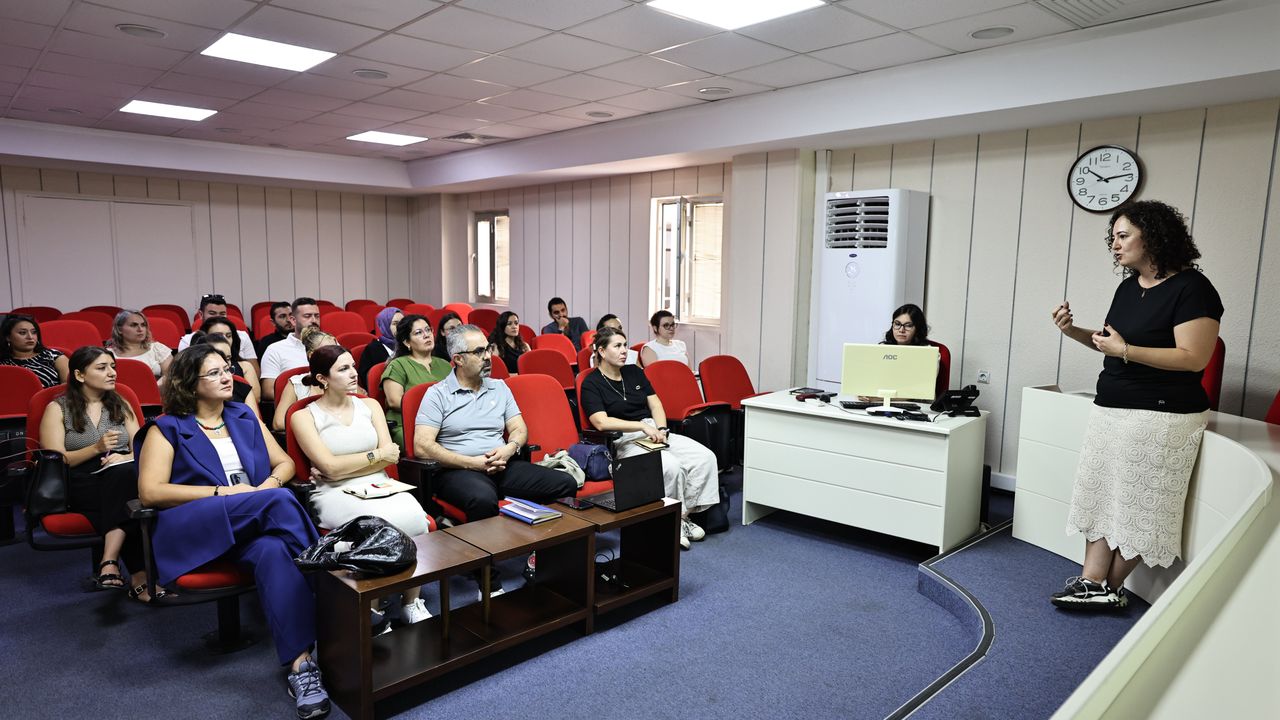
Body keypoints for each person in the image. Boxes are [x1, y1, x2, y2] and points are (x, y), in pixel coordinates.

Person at [136, 344, 330, 719]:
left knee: (274, 550)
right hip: (199, 525)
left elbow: (285, 463)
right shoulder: (167, 428)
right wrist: (222, 493)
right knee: (279, 502)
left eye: (226, 369)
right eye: (215, 373)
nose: (228, 377)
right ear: (189, 383)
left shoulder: (243, 415)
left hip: (254, 521)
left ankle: (302, 667)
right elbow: (151, 492)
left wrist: (268, 485)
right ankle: (333, 589)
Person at [1049, 200, 1222, 610]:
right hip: (1111, 406)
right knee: (1100, 495)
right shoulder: (1128, 288)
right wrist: (1073, 331)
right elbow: (1111, 344)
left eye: (1123, 236)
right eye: (1113, 237)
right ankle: (1092, 582)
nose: (1115, 244)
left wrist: (1125, 350)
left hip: (1162, 414)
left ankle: (1109, 588)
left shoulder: (1193, 289)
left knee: (1140, 503)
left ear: (1154, 237)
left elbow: (1194, 358)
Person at [415, 325, 578, 592]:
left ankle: (543, 561)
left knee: (564, 484)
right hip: (459, 470)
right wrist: (473, 463)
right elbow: (422, 447)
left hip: (502, 463)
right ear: (458, 359)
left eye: (488, 349)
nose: (488, 356)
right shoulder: (437, 394)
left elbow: (519, 429)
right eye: (479, 352)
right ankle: (489, 582)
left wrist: (510, 448)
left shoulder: (499, 387)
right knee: (482, 499)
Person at [289, 344, 432, 625]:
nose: (354, 373)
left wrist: (342, 466)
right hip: (332, 492)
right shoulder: (303, 416)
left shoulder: (370, 405)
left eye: (353, 366)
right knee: (374, 527)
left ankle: (411, 601)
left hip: (379, 483)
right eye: (343, 369)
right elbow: (329, 468)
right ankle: (372, 609)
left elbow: (391, 455)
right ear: (322, 379)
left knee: (416, 517)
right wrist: (372, 457)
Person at [581, 327, 719, 550]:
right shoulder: (592, 382)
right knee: (670, 466)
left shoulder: (634, 372)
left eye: (625, 345)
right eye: (617, 346)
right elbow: (601, 422)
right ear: (602, 351)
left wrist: (661, 428)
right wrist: (641, 426)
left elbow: (655, 405)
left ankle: (683, 517)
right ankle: (673, 523)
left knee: (705, 457)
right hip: (623, 439)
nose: (624, 351)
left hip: (654, 431)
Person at [39, 347, 151, 595]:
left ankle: (109, 563)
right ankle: (140, 577)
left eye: (113, 367)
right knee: (129, 502)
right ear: (79, 375)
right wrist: (96, 448)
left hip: (122, 472)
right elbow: (56, 460)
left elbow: (143, 449)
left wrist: (125, 457)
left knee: (123, 478)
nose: (112, 373)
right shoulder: (57, 408)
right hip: (80, 479)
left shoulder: (121, 404)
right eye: (102, 368)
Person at [382, 315, 451, 448]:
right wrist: (434, 411)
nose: (427, 335)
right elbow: (393, 401)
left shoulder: (445, 365)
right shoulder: (398, 365)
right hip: (408, 425)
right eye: (418, 333)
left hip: (443, 424)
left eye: (428, 330)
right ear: (407, 342)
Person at [272, 328, 338, 432]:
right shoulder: (297, 383)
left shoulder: (345, 379)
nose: (335, 355)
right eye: (328, 351)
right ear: (312, 355)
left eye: (337, 350)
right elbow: (279, 423)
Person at [177, 293, 258, 373]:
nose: (218, 317)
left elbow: (255, 372)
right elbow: (184, 374)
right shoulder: (187, 341)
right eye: (212, 313)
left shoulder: (242, 336)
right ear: (201, 314)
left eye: (222, 314)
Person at [260, 297, 322, 401]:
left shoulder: (331, 345)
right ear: (293, 320)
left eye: (317, 316)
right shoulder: (275, 350)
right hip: (296, 406)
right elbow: (268, 391)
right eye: (307, 316)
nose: (314, 320)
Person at [190, 332, 261, 417]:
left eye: (228, 358)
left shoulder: (240, 384)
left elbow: (255, 422)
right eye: (218, 356)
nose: (225, 363)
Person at [200, 317, 261, 404]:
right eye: (218, 336)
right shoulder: (196, 371)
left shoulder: (245, 366)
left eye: (229, 336)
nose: (225, 339)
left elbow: (256, 399)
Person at [1, 314, 69, 387]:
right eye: (22, 333)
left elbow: (69, 387)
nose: (30, 337)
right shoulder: (3, 364)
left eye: (34, 332)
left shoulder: (54, 356)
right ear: (8, 337)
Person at [107, 310, 173, 379]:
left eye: (143, 325)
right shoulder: (107, 354)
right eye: (134, 325)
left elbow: (170, 377)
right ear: (119, 329)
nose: (140, 329)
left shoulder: (158, 349)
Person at [357, 306, 401, 389]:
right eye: (395, 323)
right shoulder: (372, 349)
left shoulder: (409, 345)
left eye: (403, 323)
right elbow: (369, 381)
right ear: (385, 325)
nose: (400, 327)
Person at [488, 310, 530, 374]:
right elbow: (495, 372)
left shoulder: (525, 346)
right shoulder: (496, 347)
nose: (514, 327)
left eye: (516, 323)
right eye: (509, 324)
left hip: (525, 378)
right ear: (502, 326)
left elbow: (531, 367)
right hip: (506, 379)